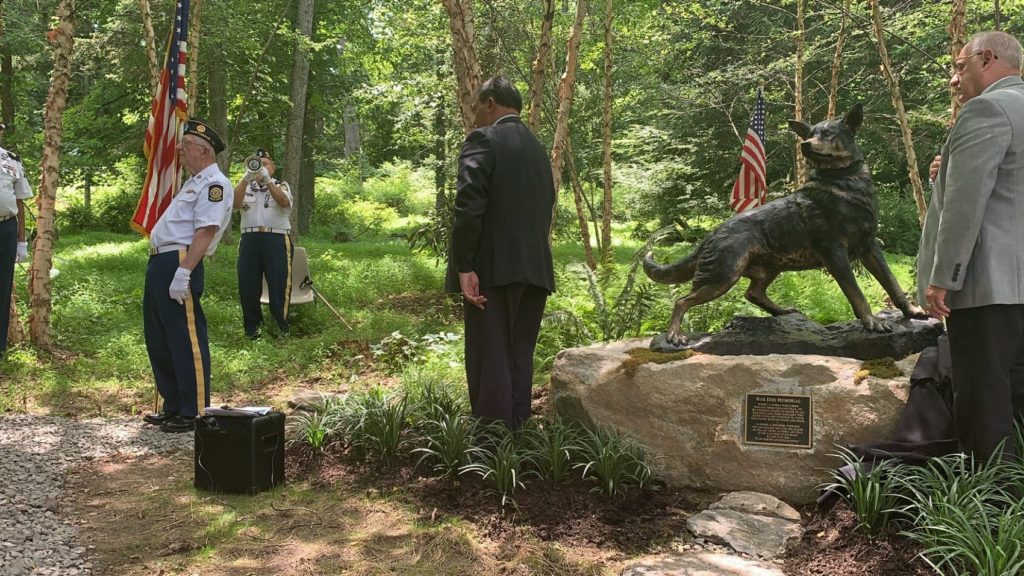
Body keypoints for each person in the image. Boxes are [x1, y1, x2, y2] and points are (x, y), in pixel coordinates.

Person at [917, 31, 1024, 461]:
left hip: (986, 289)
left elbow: (965, 207)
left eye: (960, 66)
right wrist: (947, 173)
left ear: (988, 59)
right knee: (1015, 394)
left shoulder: (987, 110)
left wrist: (943, 278)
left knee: (984, 400)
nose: (953, 78)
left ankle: (992, 504)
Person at [444, 76, 556, 429]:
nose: (475, 114)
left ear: (490, 103)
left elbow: (469, 205)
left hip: (491, 270)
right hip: (535, 270)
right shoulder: (538, 150)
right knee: (519, 356)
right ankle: (519, 435)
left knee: (489, 357)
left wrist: (465, 266)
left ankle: (492, 449)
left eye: (477, 106)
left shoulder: (483, 139)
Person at [142, 119, 233, 433]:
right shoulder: (194, 182)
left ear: (205, 151)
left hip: (180, 260)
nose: (180, 149)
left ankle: (193, 409)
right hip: (161, 261)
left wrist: (184, 272)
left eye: (187, 145)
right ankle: (173, 405)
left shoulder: (214, 184)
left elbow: (206, 231)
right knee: (160, 337)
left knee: (184, 337)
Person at [233, 148, 293, 339]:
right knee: (248, 284)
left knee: (278, 283)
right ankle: (253, 329)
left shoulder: (281, 185)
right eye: (257, 163)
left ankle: (280, 327)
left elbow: (284, 202)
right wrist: (246, 178)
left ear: (272, 167)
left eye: (265, 163)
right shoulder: (245, 187)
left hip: (275, 238)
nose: (260, 167)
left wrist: (267, 181)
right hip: (250, 239)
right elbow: (234, 204)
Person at [0, 123, 32, 357]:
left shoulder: (11, 160)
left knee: (3, 286)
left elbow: (20, 201)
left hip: (7, 227)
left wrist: (21, 240)